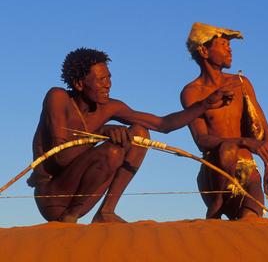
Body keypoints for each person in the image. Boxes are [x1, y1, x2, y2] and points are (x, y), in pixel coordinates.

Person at [28, 47, 234, 223]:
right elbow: (61, 157)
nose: (108, 84)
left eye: (109, 77)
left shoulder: (110, 107)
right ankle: (69, 218)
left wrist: (205, 104)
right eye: (100, 80)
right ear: (79, 84)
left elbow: (163, 124)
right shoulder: (58, 98)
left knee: (139, 132)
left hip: (81, 196)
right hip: (53, 196)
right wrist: (101, 133)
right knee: (113, 153)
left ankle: (106, 212)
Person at [180, 22, 268, 220]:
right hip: (216, 172)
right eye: (223, 44)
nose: (229, 49)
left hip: (248, 170)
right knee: (227, 148)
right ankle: (218, 203)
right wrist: (243, 141)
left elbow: (264, 128)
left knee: (250, 223)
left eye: (230, 45)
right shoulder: (192, 93)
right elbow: (201, 139)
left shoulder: (241, 83)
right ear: (204, 50)